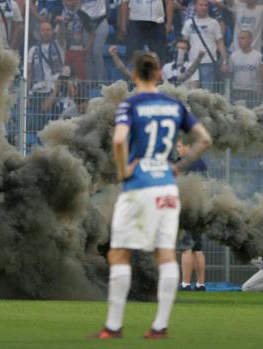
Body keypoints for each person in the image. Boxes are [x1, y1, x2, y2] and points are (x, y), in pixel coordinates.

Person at [94, 52, 212, 339]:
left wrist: (123, 172)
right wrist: (179, 167)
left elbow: (120, 140)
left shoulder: (131, 103)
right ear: (159, 74)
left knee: (120, 252)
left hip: (138, 186)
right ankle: (159, 326)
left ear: (134, 75)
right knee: (166, 254)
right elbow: (204, 139)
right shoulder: (175, 105)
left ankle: (113, 326)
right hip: (166, 186)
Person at [175, 139, 208, 292]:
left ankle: (185, 284)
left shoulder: (181, 163)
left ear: (188, 146)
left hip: (186, 210)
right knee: (198, 249)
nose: (178, 149)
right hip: (199, 209)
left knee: (186, 248)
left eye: (180, 146)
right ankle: (201, 284)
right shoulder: (201, 163)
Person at [26, 21, 64, 145]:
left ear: (52, 31)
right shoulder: (32, 50)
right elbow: (29, 73)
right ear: (39, 32)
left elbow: (62, 36)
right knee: (37, 125)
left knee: (53, 125)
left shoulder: (59, 45)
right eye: (43, 30)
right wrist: (26, 94)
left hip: (55, 89)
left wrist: (62, 24)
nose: (46, 32)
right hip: (38, 90)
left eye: (48, 29)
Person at [182, 0, 229, 91]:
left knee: (207, 93)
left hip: (208, 62)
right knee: (192, 93)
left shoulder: (214, 23)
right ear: (195, 6)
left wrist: (224, 62)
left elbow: (220, 42)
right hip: (192, 63)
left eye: (206, 5)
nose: (204, 7)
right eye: (201, 5)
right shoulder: (188, 23)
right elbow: (184, 43)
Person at [55, 0, 94, 80]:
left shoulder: (83, 15)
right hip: (62, 51)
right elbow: (50, 31)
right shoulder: (57, 13)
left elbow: (92, 33)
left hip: (79, 50)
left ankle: (81, 92)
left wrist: (86, 48)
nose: (72, 2)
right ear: (64, 1)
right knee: (62, 78)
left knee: (80, 78)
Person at [229, 30, 262, 105]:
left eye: (242, 38)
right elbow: (230, 73)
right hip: (237, 90)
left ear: (250, 40)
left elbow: (261, 74)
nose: (240, 41)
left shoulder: (258, 56)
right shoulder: (233, 56)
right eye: (239, 38)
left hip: (252, 91)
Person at [82, 0, 110, 81]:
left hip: (100, 21)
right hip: (86, 23)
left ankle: (100, 81)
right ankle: (89, 81)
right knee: (87, 54)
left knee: (97, 52)